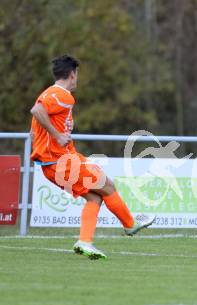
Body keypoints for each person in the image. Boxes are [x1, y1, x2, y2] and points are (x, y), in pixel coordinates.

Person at [30, 55, 155, 259]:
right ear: (72, 74)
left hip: (57, 162)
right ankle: (130, 224)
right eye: (77, 74)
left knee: (95, 196)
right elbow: (36, 110)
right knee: (108, 185)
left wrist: (43, 137)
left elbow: (36, 123)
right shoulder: (60, 94)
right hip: (60, 161)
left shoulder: (49, 94)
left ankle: (85, 242)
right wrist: (57, 135)